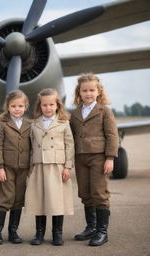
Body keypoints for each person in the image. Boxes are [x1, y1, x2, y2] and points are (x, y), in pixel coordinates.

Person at [70, 73, 118, 246]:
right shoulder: (74, 113)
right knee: (85, 193)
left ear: (98, 92)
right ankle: (91, 227)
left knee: (99, 193)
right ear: (79, 93)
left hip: (99, 157)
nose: (88, 93)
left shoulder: (104, 111)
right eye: (85, 91)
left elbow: (112, 135)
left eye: (92, 90)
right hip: (80, 158)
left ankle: (102, 232)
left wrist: (110, 158)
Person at [25, 88, 74, 246]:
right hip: (39, 166)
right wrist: (31, 167)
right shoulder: (34, 124)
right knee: (39, 200)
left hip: (56, 166)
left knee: (56, 201)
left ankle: (57, 234)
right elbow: (31, 147)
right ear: (40, 106)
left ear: (57, 105)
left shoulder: (64, 123)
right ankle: (39, 233)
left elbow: (69, 145)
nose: (48, 108)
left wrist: (67, 167)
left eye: (51, 104)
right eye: (45, 105)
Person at [0, 90, 31, 245]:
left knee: (18, 199)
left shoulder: (29, 124)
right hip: (7, 168)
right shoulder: (3, 125)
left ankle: (13, 231)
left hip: (23, 168)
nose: (17, 109)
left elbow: (33, 146)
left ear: (25, 107)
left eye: (20, 106)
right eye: (13, 106)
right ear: (8, 107)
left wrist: (31, 166)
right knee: (5, 197)